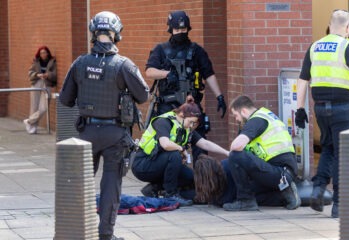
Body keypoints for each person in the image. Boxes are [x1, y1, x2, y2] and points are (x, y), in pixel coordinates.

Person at [59, 11, 149, 240]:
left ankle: (76, 231)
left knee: (80, 185)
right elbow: (143, 95)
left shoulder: (80, 63)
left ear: (93, 33)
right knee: (111, 186)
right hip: (115, 134)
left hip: (85, 133)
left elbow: (66, 99)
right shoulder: (123, 65)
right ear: (117, 34)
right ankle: (105, 236)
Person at [295, 9, 349, 218]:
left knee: (328, 147)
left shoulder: (315, 47)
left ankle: (318, 189)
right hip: (342, 109)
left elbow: (302, 80)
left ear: (329, 26)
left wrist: (300, 109)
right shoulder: (347, 46)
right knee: (343, 154)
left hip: (320, 109)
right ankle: (339, 204)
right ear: (347, 28)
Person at [144, 10, 227, 164]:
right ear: (170, 30)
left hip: (191, 106)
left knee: (200, 146)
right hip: (167, 106)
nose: (180, 33)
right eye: (177, 30)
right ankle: (163, 183)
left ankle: (201, 180)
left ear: (188, 29)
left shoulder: (196, 51)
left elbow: (208, 74)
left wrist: (219, 96)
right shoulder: (160, 50)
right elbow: (149, 71)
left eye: (183, 30)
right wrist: (166, 74)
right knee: (164, 145)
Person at [132, 96, 229, 207]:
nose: (191, 126)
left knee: (191, 177)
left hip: (159, 163)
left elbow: (204, 143)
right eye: (191, 122)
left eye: (194, 123)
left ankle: (155, 188)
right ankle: (171, 195)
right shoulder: (164, 121)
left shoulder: (186, 128)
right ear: (182, 115)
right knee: (174, 155)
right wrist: (181, 149)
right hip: (143, 165)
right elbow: (165, 144)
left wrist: (226, 152)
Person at [222, 95, 301, 211]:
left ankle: (245, 201)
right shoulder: (266, 116)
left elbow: (236, 146)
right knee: (248, 192)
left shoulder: (256, 120)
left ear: (243, 111)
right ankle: (285, 195)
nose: (236, 120)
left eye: (236, 115)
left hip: (279, 172)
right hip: (282, 173)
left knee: (235, 155)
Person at [194, 154, 286, 207]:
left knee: (256, 199)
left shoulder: (228, 172)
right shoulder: (223, 166)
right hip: (266, 181)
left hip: (263, 185)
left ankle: (283, 196)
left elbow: (226, 199)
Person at [24, 46, 57, 134]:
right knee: (34, 106)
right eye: (41, 53)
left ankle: (29, 121)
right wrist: (37, 75)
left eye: (45, 52)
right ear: (39, 53)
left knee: (44, 108)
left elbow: (55, 74)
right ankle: (33, 128)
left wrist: (48, 75)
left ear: (48, 53)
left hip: (47, 84)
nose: (43, 54)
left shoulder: (52, 61)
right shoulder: (36, 61)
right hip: (36, 83)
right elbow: (30, 72)